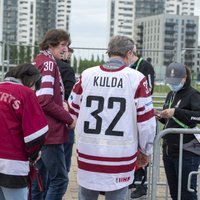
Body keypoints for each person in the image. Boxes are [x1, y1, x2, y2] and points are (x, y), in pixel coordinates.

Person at [68, 35, 156, 200]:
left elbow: (71, 110)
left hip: (88, 152)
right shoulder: (137, 78)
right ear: (129, 53)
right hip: (120, 155)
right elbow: (146, 123)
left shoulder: (86, 75)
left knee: (86, 194)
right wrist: (146, 150)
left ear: (109, 52)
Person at [32, 29, 75, 200]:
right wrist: (68, 117)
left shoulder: (40, 60)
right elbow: (44, 100)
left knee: (40, 180)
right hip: (50, 132)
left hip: (41, 129)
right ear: (51, 45)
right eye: (63, 45)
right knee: (60, 181)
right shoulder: (49, 64)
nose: (66, 49)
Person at [0, 63, 48, 200]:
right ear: (31, 80)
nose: (34, 90)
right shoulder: (25, 93)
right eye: (35, 86)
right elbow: (37, 133)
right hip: (13, 165)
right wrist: (33, 155)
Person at [155, 62, 200, 200]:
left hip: (187, 151)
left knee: (187, 192)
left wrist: (176, 112)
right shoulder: (170, 94)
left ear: (185, 78)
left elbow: (197, 116)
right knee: (174, 193)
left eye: (176, 80)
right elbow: (170, 121)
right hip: (169, 150)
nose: (173, 84)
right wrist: (159, 115)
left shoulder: (193, 94)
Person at [129, 51, 155, 198]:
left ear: (130, 53)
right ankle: (132, 183)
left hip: (140, 114)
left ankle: (141, 185)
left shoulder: (145, 66)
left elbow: (149, 89)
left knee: (142, 148)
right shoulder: (127, 68)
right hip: (129, 118)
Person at [56, 48, 76, 173]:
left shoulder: (39, 64)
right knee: (63, 164)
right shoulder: (66, 69)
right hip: (63, 118)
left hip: (43, 119)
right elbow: (70, 95)